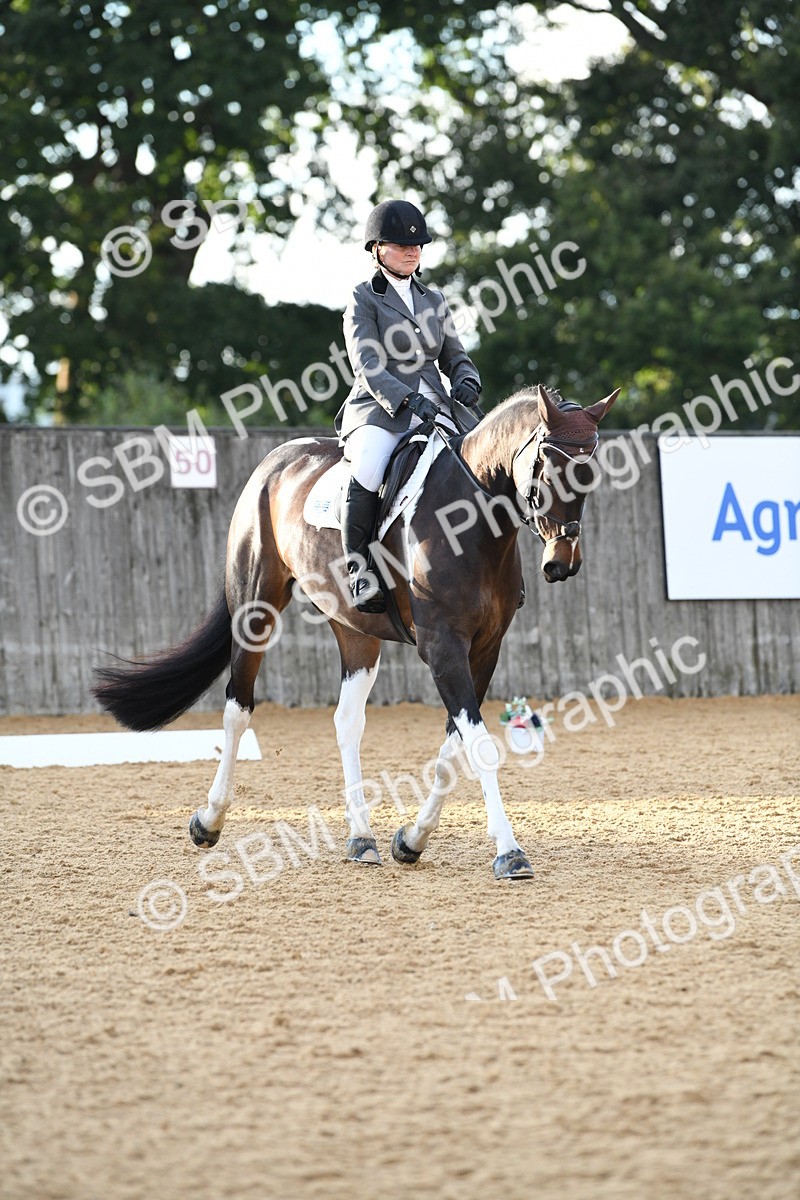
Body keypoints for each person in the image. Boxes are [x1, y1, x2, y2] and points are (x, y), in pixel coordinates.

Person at [335, 199, 482, 613]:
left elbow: (454, 354)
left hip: (437, 402)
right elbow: (367, 363)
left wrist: (468, 379)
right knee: (367, 465)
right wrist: (404, 398)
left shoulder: (433, 298)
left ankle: (497, 570)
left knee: (487, 464)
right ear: (377, 248)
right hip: (382, 406)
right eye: (402, 245)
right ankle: (360, 569)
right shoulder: (363, 298)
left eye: (417, 246)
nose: (412, 252)